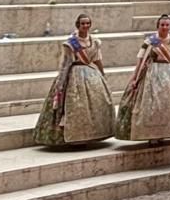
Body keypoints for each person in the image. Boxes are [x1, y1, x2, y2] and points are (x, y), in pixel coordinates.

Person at [34, 14, 115, 145]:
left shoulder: (95, 42)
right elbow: (65, 63)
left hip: (91, 74)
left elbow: (97, 59)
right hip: (74, 75)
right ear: (78, 25)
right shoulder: (71, 43)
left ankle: (91, 134)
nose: (85, 26)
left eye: (88, 23)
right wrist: (61, 82)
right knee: (75, 106)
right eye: (83, 23)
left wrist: (102, 74)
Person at [115, 16, 170, 141]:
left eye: (167, 25)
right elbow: (141, 61)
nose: (164, 27)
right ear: (157, 26)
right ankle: (152, 134)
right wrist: (135, 78)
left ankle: (166, 132)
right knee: (153, 105)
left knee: (168, 105)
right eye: (162, 25)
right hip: (153, 74)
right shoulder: (150, 41)